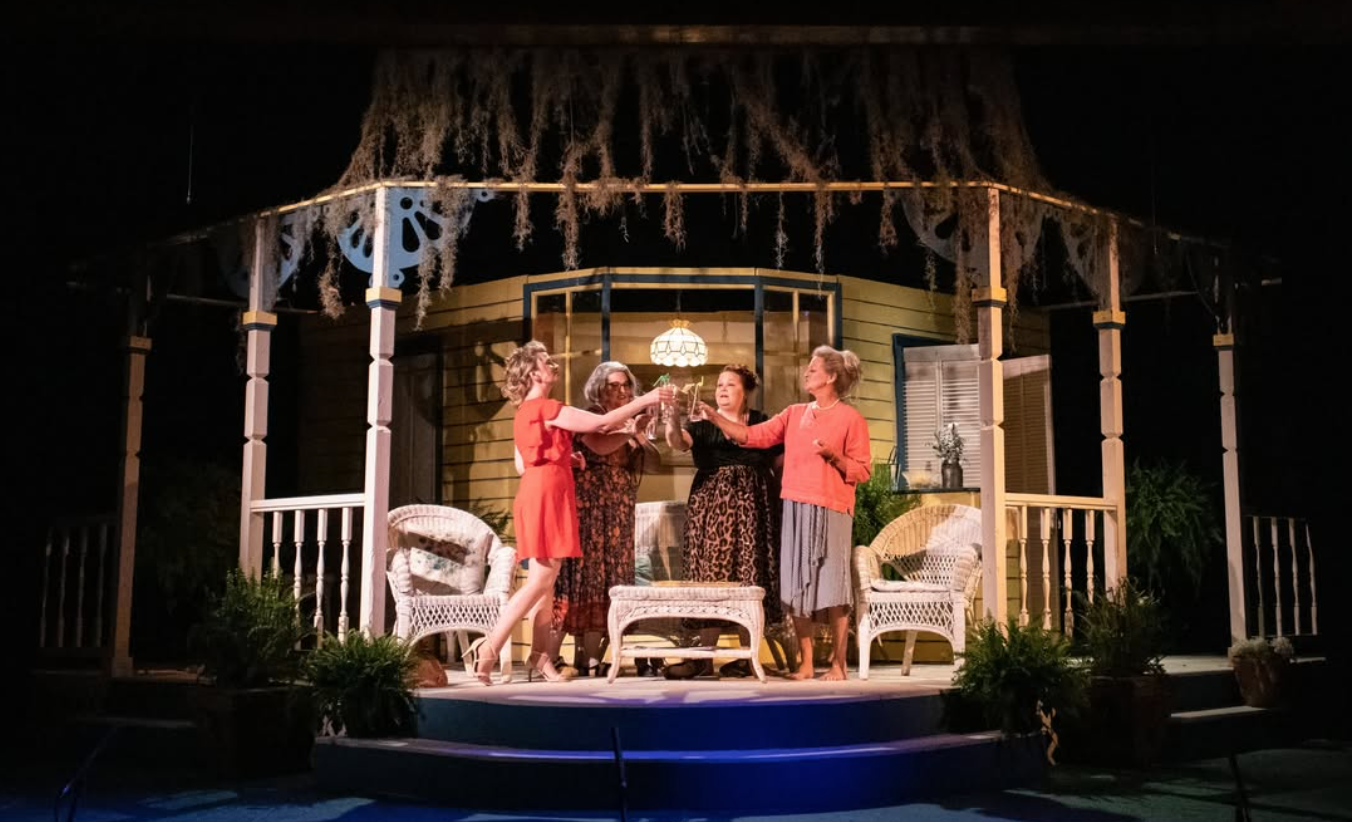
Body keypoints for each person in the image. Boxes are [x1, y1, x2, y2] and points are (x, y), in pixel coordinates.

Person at [475, 342, 673, 685]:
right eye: (545, 362)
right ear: (534, 373)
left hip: (551, 490)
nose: (552, 365)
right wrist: (647, 399)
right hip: (545, 496)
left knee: (547, 586)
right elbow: (601, 424)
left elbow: (535, 454)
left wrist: (569, 459)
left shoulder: (529, 410)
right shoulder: (546, 406)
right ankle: (489, 648)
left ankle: (540, 658)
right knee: (539, 581)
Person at [692, 346, 870, 681]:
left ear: (831, 377)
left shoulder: (851, 419)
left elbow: (861, 471)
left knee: (833, 586)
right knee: (795, 587)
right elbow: (752, 436)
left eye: (814, 370)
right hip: (794, 503)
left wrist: (834, 457)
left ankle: (838, 665)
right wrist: (714, 416)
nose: (807, 373)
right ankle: (805, 663)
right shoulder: (794, 413)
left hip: (832, 506)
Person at [663, 364, 782, 679]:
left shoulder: (760, 421)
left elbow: (779, 461)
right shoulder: (701, 423)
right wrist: (672, 417)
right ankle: (704, 657)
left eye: (730, 384)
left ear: (746, 391)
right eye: (719, 385)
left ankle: (749, 655)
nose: (722, 389)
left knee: (750, 574)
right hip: (712, 505)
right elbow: (677, 442)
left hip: (754, 505)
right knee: (711, 574)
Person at [550, 362, 656, 677]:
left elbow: (652, 462)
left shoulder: (629, 422)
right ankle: (556, 654)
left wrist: (642, 435)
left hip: (619, 507)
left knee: (612, 575)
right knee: (585, 576)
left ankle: (591, 657)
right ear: (599, 387)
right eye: (613, 385)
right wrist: (630, 432)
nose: (621, 391)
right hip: (590, 506)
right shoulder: (592, 414)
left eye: (626, 385)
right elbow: (597, 442)